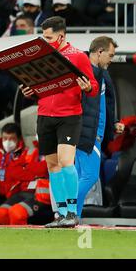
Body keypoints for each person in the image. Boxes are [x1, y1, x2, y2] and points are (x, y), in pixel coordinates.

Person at [20, 16, 99, 228]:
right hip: (45, 115)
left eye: (48, 38)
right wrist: (30, 91)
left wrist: (87, 88)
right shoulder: (42, 57)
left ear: (61, 36)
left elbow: (94, 86)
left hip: (69, 116)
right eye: (43, 37)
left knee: (66, 162)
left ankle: (73, 212)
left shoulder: (78, 57)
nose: (44, 42)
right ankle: (62, 214)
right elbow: (38, 86)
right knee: (52, 165)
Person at [75, 36, 124, 219]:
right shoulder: (83, 73)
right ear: (99, 52)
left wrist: (113, 123)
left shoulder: (102, 73)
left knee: (82, 176)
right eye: (110, 55)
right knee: (90, 176)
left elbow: (106, 102)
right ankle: (65, 210)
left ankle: (73, 218)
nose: (111, 59)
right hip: (88, 133)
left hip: (96, 132)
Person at [0, 123, 49, 224]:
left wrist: (2, 189)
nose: (7, 142)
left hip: (12, 192)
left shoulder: (25, 153)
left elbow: (20, 178)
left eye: (11, 139)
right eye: (5, 138)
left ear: (18, 139)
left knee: (11, 213)